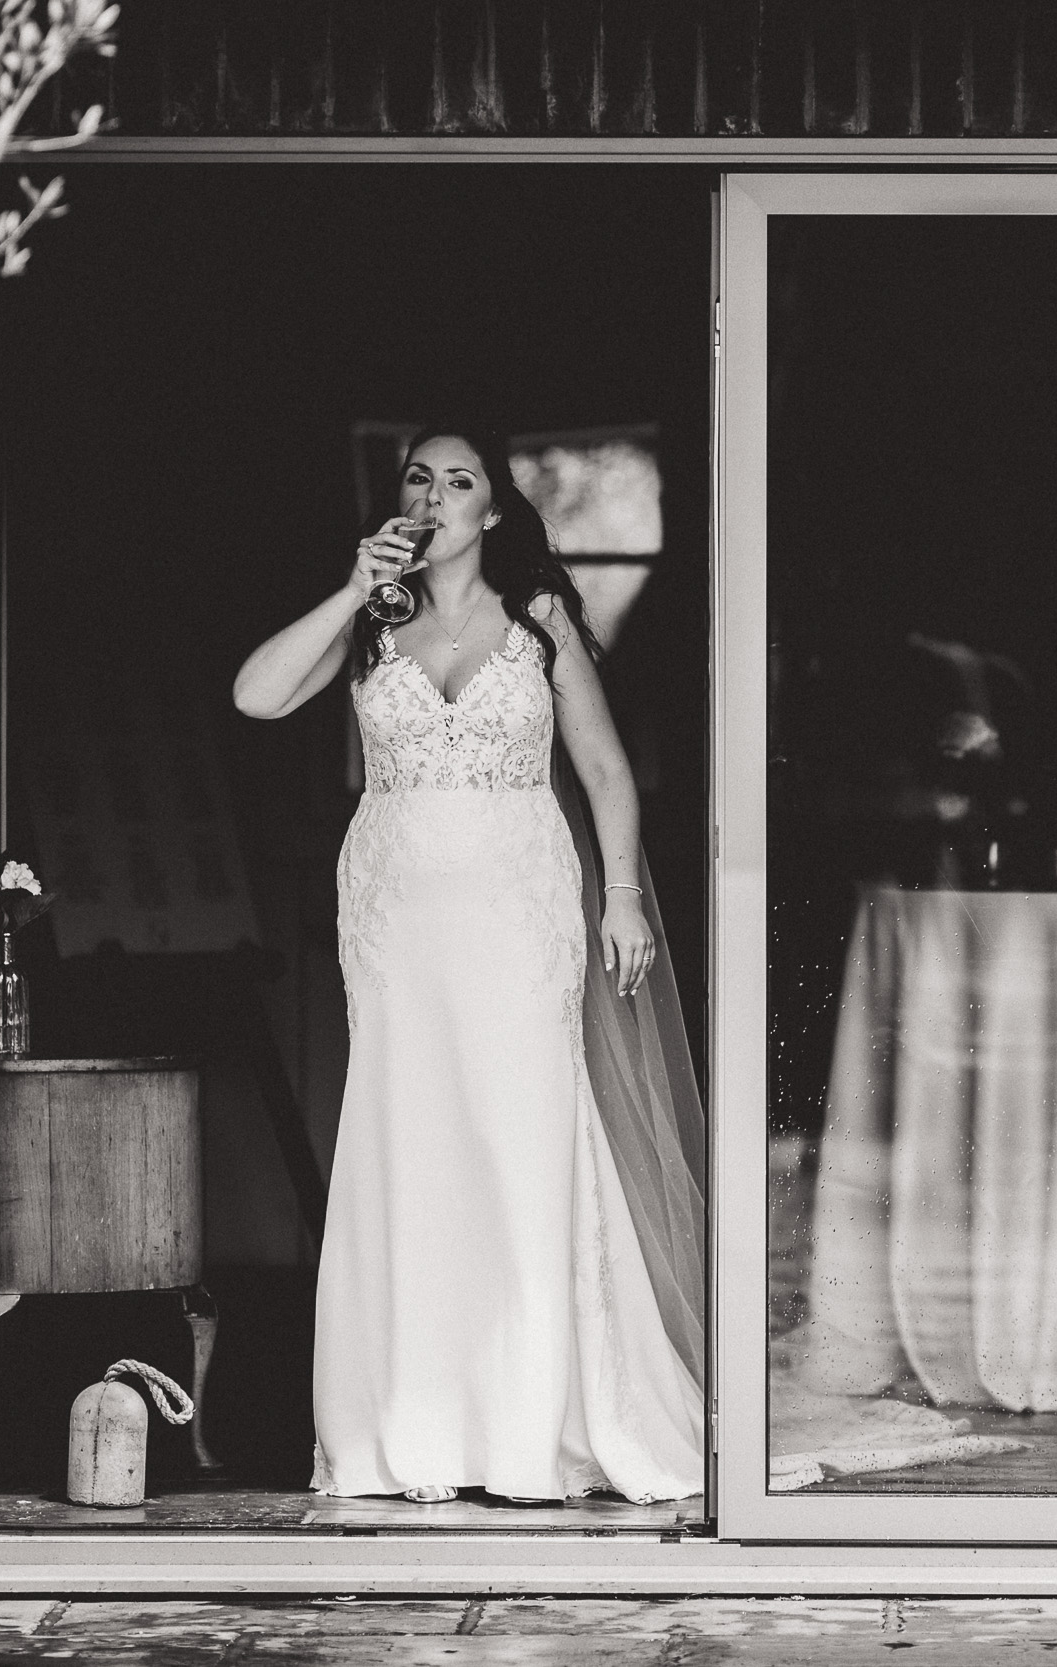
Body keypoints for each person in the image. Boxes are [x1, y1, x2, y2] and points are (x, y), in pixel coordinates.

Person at [233, 426, 703, 1506]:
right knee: (408, 1133)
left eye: (460, 480)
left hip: (517, 906)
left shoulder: (537, 621)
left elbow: (605, 769)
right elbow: (257, 695)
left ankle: (532, 1420)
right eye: (419, 478)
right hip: (397, 914)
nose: (436, 495)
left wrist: (622, 895)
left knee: (514, 1132)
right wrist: (355, 587)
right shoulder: (370, 626)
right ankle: (413, 1423)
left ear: (492, 511)